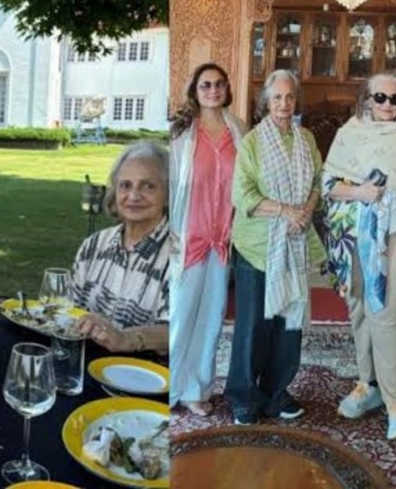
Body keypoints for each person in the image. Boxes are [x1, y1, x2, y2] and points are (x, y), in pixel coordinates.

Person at [322, 73, 396, 441]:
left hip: (394, 232)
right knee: (359, 308)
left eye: (394, 99)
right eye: (380, 97)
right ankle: (369, 384)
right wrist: (360, 192)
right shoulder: (348, 133)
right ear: (367, 99)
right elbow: (328, 185)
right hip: (353, 234)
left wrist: (387, 197)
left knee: (384, 312)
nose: (387, 105)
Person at [226, 69, 326, 424]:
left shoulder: (306, 139)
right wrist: (286, 211)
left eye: (289, 97)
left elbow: (318, 181)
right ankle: (243, 397)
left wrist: (306, 211)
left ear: (296, 101)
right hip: (258, 247)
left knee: (288, 325)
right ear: (266, 102)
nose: (284, 104)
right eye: (277, 97)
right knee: (254, 327)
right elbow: (243, 196)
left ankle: (275, 393)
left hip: (294, 243)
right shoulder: (252, 142)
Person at [169, 63, 247, 417]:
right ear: (195, 90)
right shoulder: (181, 134)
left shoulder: (239, 131)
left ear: (227, 88)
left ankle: (196, 389)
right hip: (188, 237)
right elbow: (169, 183)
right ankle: (170, 388)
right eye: (205, 85)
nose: (213, 90)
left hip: (222, 239)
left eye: (218, 84)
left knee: (212, 318)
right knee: (181, 314)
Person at [70, 141, 169, 355]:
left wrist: (125, 339)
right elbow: (70, 310)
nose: (133, 196)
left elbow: (180, 331)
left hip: (145, 371)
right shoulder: (94, 245)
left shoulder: (182, 257)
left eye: (148, 186)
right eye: (125, 185)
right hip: (85, 362)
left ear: (169, 193)